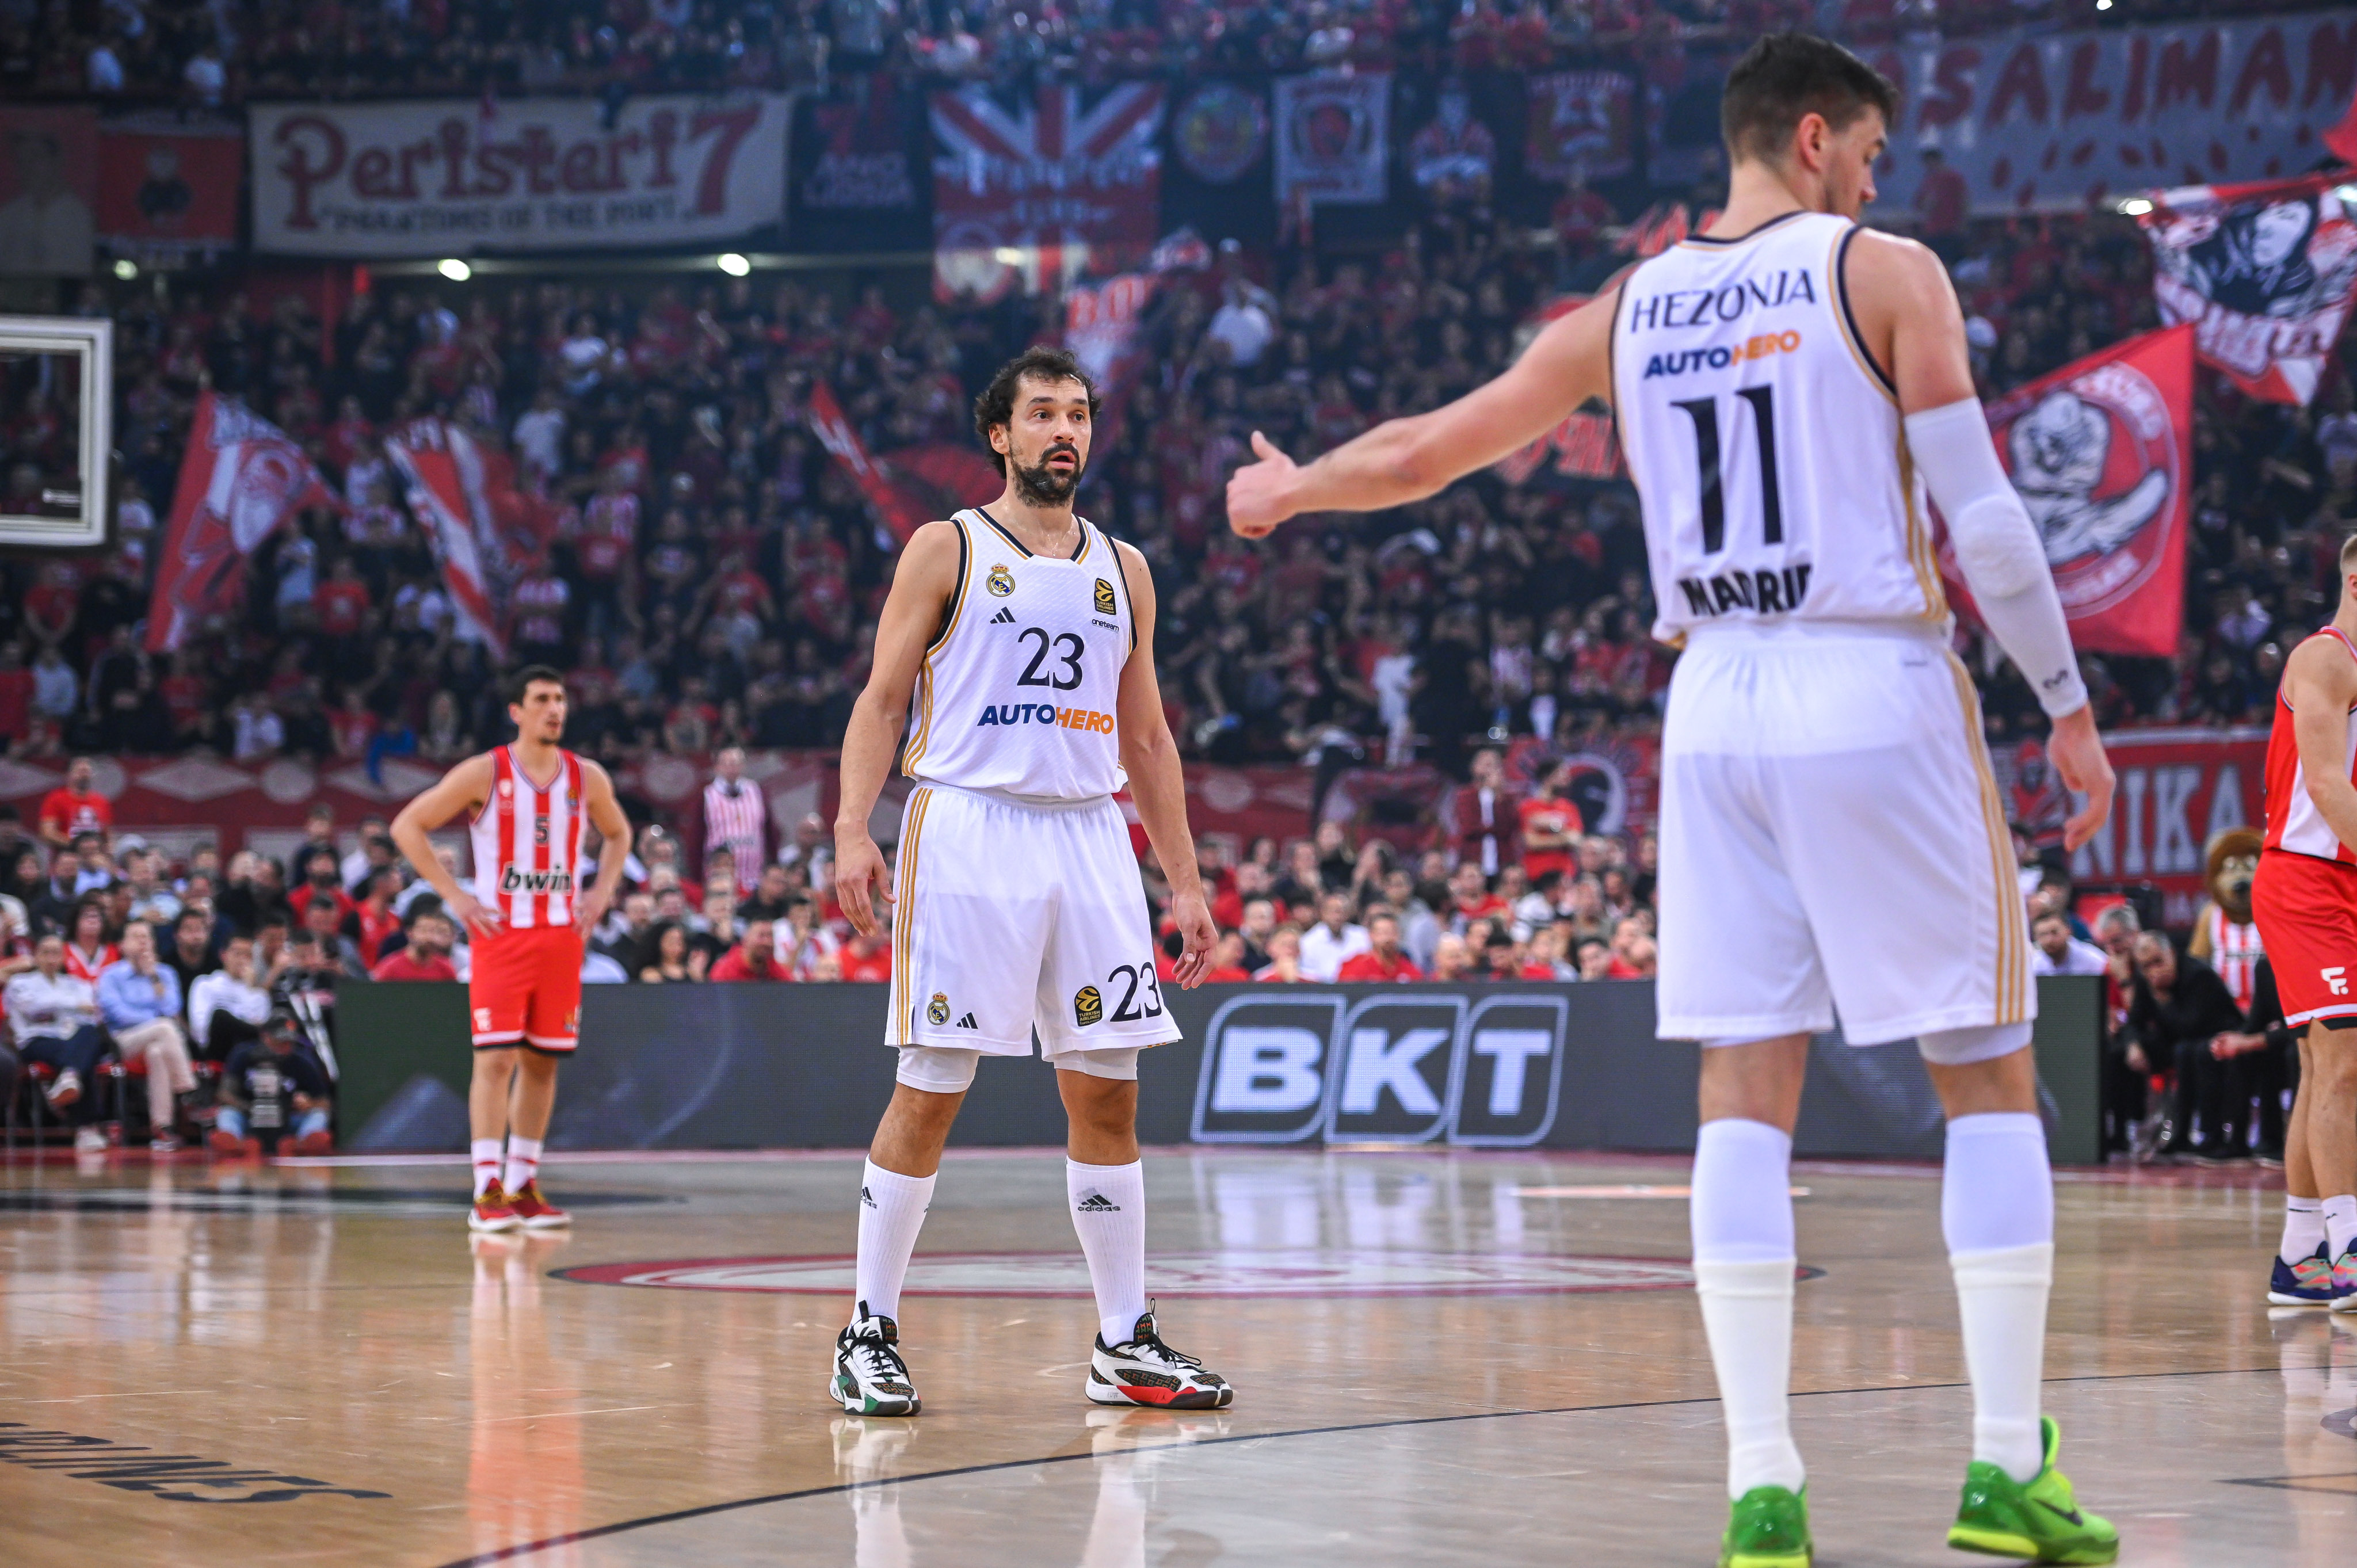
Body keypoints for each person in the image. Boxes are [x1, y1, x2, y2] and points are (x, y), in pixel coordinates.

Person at [1225, 34, 2119, 1564]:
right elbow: (1986, 519)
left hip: (1708, 704)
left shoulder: (1627, 307)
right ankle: (1997, 1464)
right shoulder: (1883, 270)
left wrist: (1297, 483)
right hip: (1867, 677)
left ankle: (1762, 1482)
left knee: (1741, 1094)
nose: (1878, 180)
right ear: (1822, 138)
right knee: (1985, 1062)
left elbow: (1437, 448)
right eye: (1874, 156)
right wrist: (2070, 707)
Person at [829, 346, 1231, 1420]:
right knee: (932, 1083)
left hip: (1088, 836)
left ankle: (1122, 1340)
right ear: (998, 436)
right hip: (967, 823)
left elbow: (1146, 732)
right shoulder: (944, 547)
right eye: (1043, 414)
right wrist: (850, 831)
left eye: (1081, 415)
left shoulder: (1124, 567)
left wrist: (1183, 880)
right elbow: (878, 702)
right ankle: (867, 1327)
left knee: (1109, 1087)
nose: (1067, 431)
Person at [390, 666, 631, 1234]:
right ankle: (486, 1189)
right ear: (516, 711)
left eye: (561, 698)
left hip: (560, 939)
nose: (555, 708)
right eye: (543, 699)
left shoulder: (585, 776)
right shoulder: (485, 771)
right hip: (502, 936)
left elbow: (619, 833)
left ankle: (523, 1183)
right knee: (495, 1060)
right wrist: (456, 897)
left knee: (542, 1063)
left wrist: (600, 892)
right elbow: (408, 826)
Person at [2252, 560, 2357, 1307]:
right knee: (2344, 1062)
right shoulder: (2324, 657)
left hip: (2344, 879)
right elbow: (2323, 785)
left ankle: (2301, 1255)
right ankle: (2351, 1249)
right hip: (2306, 878)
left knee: (2325, 1070)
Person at [96, 920, 198, 1153]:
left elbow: (172, 1008)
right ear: (122, 945)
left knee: (158, 1051)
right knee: (164, 1028)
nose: (143, 942)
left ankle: (162, 1129)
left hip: (160, 1040)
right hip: (123, 1041)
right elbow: (117, 1014)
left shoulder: (164, 973)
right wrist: (154, 1019)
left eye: (147, 937)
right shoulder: (111, 975)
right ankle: (189, 1091)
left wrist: (153, 978)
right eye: (136, 937)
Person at [6, 931, 107, 1151]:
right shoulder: (20, 982)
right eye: (46, 953)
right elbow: (33, 1007)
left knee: (91, 1034)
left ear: (63, 958)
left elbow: (91, 1014)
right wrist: (72, 1005)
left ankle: (69, 1076)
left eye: (56, 954)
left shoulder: (76, 984)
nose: (51, 959)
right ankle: (86, 1128)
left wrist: (67, 1006)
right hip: (35, 1041)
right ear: (36, 955)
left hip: (69, 1040)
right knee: (82, 1055)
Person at [209, 1008, 334, 1157]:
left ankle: (305, 1144)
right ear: (265, 1036)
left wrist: (308, 1104)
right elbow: (224, 1094)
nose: (286, 1047)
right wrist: (252, 1109)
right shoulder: (242, 1055)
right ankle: (234, 1144)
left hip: (288, 1120)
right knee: (227, 1114)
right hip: (249, 1118)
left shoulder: (303, 1060)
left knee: (318, 1116)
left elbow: (325, 1102)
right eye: (280, 1042)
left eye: (289, 1042)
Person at [189, 933, 272, 1061]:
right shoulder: (205, 984)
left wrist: (250, 990)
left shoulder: (259, 995)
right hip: (217, 1048)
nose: (242, 960)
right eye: (238, 954)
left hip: (250, 1050)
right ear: (224, 955)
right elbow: (200, 1028)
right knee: (221, 1016)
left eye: (248, 955)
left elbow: (261, 1032)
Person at [702, 746, 766, 896]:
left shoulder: (756, 791)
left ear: (743, 766)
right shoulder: (707, 795)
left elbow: (768, 830)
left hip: (754, 877)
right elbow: (697, 836)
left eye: (736, 763)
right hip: (718, 880)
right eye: (727, 763)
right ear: (717, 767)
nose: (732, 768)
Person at [371, 904, 461, 981]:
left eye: (434, 931)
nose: (429, 937)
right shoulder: (390, 968)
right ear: (410, 933)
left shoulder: (446, 968)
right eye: (424, 930)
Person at [36, 756, 111, 849]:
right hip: (68, 853)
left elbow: (107, 835)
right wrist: (77, 846)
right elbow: (47, 833)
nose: (84, 775)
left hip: (96, 854)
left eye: (87, 771)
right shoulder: (55, 799)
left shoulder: (101, 801)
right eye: (80, 771)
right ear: (68, 774)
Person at [1298, 890, 1371, 982]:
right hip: (1322, 991)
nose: (1337, 916)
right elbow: (1308, 974)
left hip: (1357, 988)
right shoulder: (1308, 941)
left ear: (1348, 914)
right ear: (1322, 914)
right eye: (1332, 911)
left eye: (1340, 911)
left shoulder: (1362, 935)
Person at [1338, 911, 1423, 981]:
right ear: (1371, 935)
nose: (1387, 938)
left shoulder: (1409, 969)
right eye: (1382, 933)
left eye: (1392, 932)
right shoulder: (1354, 968)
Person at [2028, 911, 2108, 977]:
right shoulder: (2034, 966)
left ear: (2068, 931)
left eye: (2054, 932)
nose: (2049, 940)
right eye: (2043, 935)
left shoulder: (2093, 961)